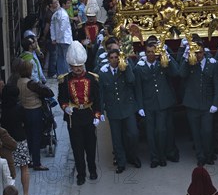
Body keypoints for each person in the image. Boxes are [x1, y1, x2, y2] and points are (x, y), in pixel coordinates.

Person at [57, 41, 102, 186]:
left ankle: (92, 170)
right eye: (74, 67)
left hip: (88, 115)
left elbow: (97, 99)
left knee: (90, 146)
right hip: (74, 118)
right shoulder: (64, 80)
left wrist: (97, 115)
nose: (77, 69)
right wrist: (65, 107)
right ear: (70, 67)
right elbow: (62, 98)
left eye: (79, 67)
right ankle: (81, 174)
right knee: (77, 148)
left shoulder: (92, 78)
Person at [134, 41, 179, 167]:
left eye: (153, 52)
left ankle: (162, 155)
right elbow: (138, 88)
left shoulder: (162, 64)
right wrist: (140, 106)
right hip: (148, 104)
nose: (151, 54)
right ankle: (154, 157)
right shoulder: (139, 67)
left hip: (162, 103)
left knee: (161, 130)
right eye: (148, 52)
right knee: (150, 133)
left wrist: (167, 57)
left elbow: (176, 72)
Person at [179, 40, 218, 166]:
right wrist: (186, 59)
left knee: (207, 132)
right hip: (192, 104)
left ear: (204, 52)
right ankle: (200, 156)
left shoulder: (212, 64)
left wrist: (215, 103)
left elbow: (217, 86)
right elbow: (181, 74)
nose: (198, 55)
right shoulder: (190, 64)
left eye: (201, 52)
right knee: (196, 133)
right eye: (196, 52)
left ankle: (208, 154)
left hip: (207, 105)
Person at [99, 50, 141, 173]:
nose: (114, 60)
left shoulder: (124, 69)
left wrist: (126, 67)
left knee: (133, 134)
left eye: (116, 57)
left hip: (127, 107)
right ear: (108, 59)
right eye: (111, 57)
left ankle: (132, 157)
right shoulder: (103, 73)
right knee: (117, 138)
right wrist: (101, 111)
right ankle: (121, 162)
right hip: (113, 109)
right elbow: (101, 93)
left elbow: (131, 80)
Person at [17, 61, 53, 171]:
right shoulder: (31, 83)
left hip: (24, 110)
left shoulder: (18, 81)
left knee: (28, 136)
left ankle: (29, 160)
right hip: (34, 110)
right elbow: (49, 92)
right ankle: (37, 163)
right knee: (36, 137)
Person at [77, 1, 104, 72]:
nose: (91, 18)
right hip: (87, 49)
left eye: (92, 16)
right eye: (89, 17)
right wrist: (83, 42)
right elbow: (78, 38)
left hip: (98, 48)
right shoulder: (81, 26)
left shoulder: (101, 25)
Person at [50, 0, 73, 76]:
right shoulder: (64, 15)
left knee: (60, 58)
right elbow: (62, 29)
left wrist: (54, 38)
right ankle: (66, 74)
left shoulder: (56, 13)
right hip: (65, 39)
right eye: (68, 3)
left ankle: (60, 74)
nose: (69, 5)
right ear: (63, 4)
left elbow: (52, 26)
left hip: (59, 40)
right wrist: (57, 38)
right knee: (66, 58)